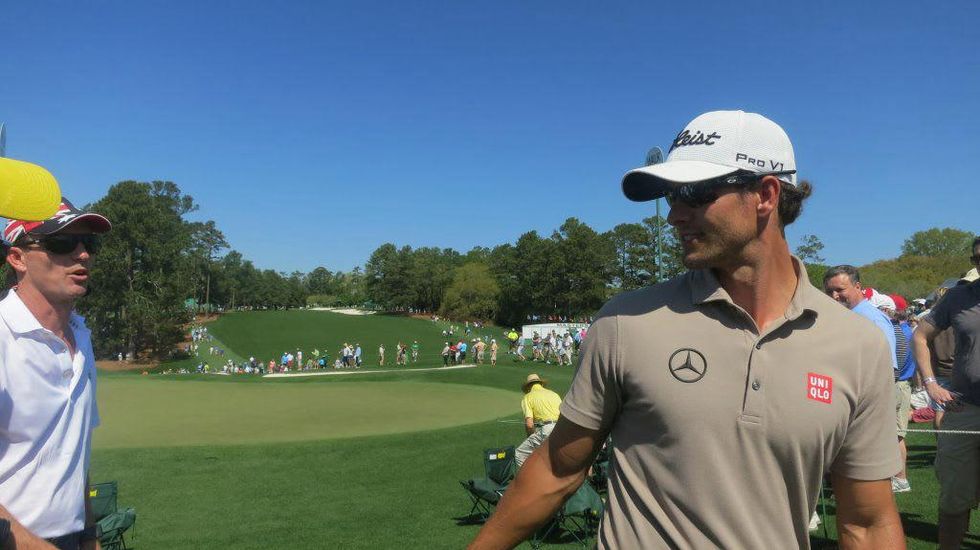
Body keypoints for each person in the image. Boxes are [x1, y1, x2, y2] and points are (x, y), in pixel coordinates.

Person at [471, 110, 903, 549]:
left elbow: (867, 523)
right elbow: (558, 468)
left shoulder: (858, 345)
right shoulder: (624, 322)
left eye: (695, 194)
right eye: (673, 196)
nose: (674, 215)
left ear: (766, 195)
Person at [0, 198, 112, 549]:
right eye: (62, 243)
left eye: (88, 243)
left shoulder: (81, 336)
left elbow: (75, 455)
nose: (83, 255)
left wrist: (90, 535)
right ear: (17, 258)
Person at [912, 236, 980, 550]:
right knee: (953, 497)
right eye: (978, 257)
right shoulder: (957, 297)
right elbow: (920, 337)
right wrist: (930, 383)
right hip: (964, 409)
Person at [515, 374, 561, 468]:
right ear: (541, 384)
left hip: (547, 430)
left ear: (528, 387)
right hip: (562, 428)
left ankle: (531, 480)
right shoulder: (554, 394)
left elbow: (529, 424)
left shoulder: (528, 397)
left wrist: (530, 436)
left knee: (519, 454)